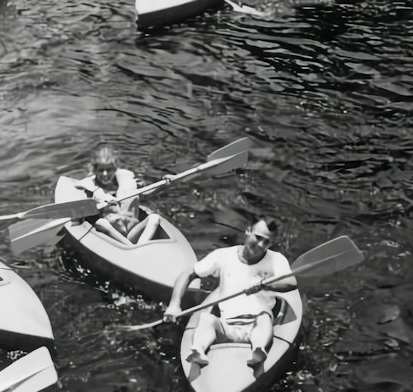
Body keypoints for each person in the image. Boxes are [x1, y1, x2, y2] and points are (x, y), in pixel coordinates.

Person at [163, 217, 297, 368]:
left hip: (256, 326)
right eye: (258, 237)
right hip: (226, 326)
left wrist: (263, 285)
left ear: (271, 243)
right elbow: (189, 273)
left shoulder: (276, 260)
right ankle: (198, 351)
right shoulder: (222, 256)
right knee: (206, 319)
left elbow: (291, 283)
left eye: (266, 241)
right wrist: (174, 305)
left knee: (264, 317)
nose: (260, 245)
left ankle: (258, 350)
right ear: (248, 231)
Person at [72, 145, 161, 244]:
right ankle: (132, 248)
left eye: (109, 170)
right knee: (101, 223)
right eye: (101, 170)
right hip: (114, 236)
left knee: (154, 217)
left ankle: (139, 246)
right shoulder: (92, 187)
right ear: (95, 171)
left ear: (115, 169)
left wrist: (165, 185)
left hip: (133, 231)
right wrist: (98, 203)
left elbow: (145, 195)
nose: (105, 174)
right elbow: (78, 191)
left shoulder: (127, 182)